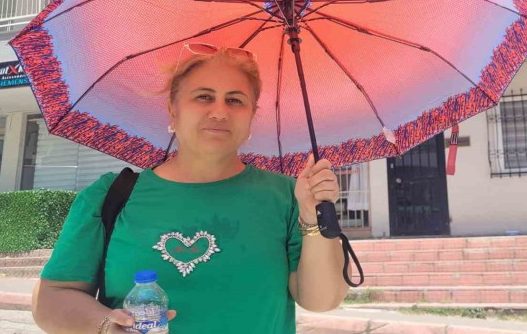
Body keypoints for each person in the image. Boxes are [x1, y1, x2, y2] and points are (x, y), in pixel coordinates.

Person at [31, 44, 350, 333]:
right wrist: (104, 326)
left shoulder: (288, 197)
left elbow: (321, 300)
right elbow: (52, 298)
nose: (220, 112)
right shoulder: (110, 196)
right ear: (173, 110)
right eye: (204, 97)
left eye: (235, 100)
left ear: (252, 115)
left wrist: (314, 216)